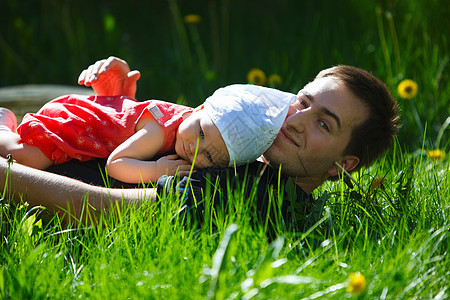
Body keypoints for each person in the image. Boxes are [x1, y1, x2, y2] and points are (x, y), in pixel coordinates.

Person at [0, 57, 400, 230]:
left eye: (324, 125)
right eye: (304, 101)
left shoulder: (259, 193)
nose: (295, 120)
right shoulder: (245, 146)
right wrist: (119, 113)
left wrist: (5, 177)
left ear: (342, 165)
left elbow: (106, 212)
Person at [0, 63, 295, 184]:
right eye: (202, 133)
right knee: (22, 157)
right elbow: (116, 163)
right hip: (78, 122)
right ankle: (4, 121)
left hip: (106, 121)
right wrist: (156, 171)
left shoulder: (198, 126)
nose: (194, 148)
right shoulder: (160, 129)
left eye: (208, 156)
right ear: (201, 107)